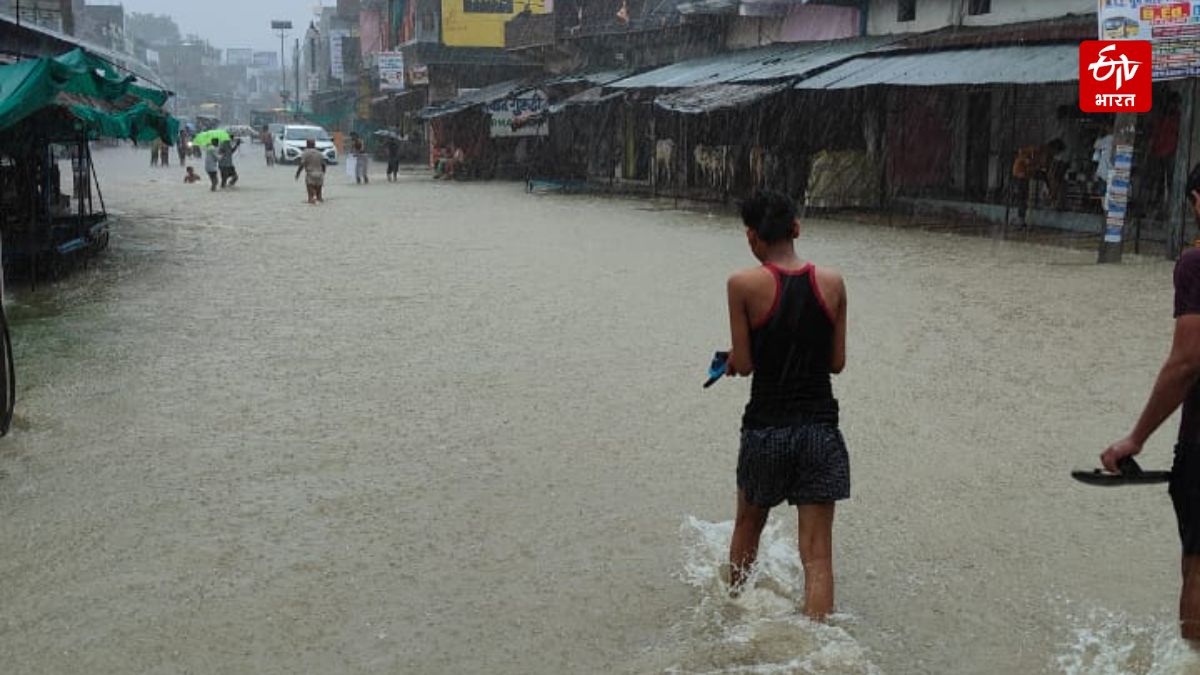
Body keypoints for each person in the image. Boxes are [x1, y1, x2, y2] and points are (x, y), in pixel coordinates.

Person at [723, 190, 849, 620]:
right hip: (819, 429)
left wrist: (733, 364)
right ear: (796, 229)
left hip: (766, 429)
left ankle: (732, 618)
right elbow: (836, 363)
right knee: (817, 558)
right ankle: (818, 645)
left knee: (747, 529)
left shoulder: (741, 285)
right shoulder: (832, 284)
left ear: (751, 237)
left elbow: (744, 362)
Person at [1101, 166, 1200, 644]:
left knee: (1199, 566)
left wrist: (1136, 437)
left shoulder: (1196, 265)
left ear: (1197, 201)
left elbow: (1186, 363)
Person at [1011, 138, 1066, 227]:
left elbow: (1046, 170)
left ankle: (1051, 197)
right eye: (1056, 152)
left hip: (1029, 172)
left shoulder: (1048, 156)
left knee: (1025, 193)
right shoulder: (1038, 150)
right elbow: (1022, 153)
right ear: (1054, 149)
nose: (1056, 154)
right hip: (1022, 172)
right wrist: (1028, 161)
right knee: (1022, 195)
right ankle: (1020, 218)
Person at [295, 138, 327, 204]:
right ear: (314, 145)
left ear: (307, 145)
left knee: (310, 197)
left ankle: (313, 200)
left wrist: (297, 173)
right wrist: (323, 173)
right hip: (319, 175)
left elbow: (302, 165)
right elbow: (324, 165)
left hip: (310, 175)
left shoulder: (305, 153)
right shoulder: (319, 153)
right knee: (319, 197)